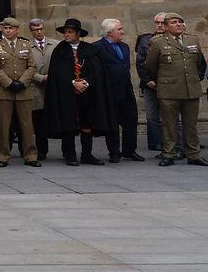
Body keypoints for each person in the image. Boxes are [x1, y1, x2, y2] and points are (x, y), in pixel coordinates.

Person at [144, 12, 208, 167]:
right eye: (174, 22)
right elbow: (150, 65)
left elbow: (198, 62)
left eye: (180, 22)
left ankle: (193, 155)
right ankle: (169, 154)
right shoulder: (157, 42)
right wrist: (165, 79)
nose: (178, 24)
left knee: (191, 125)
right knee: (169, 124)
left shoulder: (192, 39)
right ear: (167, 26)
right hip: (169, 90)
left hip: (191, 88)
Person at [46, 18, 109, 166]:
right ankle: (70, 154)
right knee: (68, 122)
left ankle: (87, 154)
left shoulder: (90, 50)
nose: (66, 35)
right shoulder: (59, 51)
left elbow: (97, 71)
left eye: (70, 32)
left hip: (87, 93)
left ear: (78, 33)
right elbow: (57, 72)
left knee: (87, 122)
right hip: (67, 93)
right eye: (65, 32)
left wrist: (86, 82)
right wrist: (73, 82)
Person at [0, 18, 40, 168]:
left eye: (11, 28)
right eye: (6, 28)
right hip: (4, 90)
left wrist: (22, 82)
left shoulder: (25, 44)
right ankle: (3, 155)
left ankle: (30, 155)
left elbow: (31, 66)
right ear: (2, 30)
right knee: (4, 125)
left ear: (17, 30)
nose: (9, 31)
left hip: (23, 90)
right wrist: (9, 83)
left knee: (27, 125)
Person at [94, 18, 144, 163]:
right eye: (119, 29)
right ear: (109, 32)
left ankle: (129, 150)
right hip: (109, 91)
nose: (122, 31)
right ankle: (114, 152)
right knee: (113, 122)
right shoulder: (97, 47)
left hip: (126, 90)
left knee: (130, 120)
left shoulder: (124, 47)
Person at [136, 13, 168, 153]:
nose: (159, 25)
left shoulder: (174, 39)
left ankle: (173, 142)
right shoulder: (146, 40)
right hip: (150, 84)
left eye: (162, 22)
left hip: (169, 84)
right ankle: (155, 143)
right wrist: (147, 80)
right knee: (152, 115)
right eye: (157, 23)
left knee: (171, 116)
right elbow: (140, 62)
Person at [28, 19, 57, 161]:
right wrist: (40, 77)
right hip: (36, 89)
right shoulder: (27, 46)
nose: (39, 32)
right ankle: (41, 150)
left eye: (41, 28)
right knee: (38, 122)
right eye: (35, 30)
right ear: (31, 31)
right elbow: (25, 69)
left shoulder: (55, 44)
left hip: (53, 88)